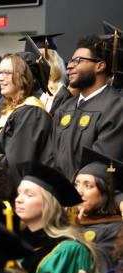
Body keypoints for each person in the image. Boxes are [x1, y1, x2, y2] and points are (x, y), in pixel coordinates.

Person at [15, 161, 96, 273]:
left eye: (29, 195)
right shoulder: (18, 241)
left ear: (48, 203)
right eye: (19, 193)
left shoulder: (69, 249)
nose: (18, 200)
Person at [47, 34, 123, 178]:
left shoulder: (116, 108)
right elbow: (50, 156)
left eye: (78, 61)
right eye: (71, 61)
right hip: (59, 195)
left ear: (100, 66)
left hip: (89, 195)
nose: (69, 66)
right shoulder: (64, 107)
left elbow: (101, 164)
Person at [0, 53, 52, 183]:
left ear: (22, 76)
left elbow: (18, 162)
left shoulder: (32, 112)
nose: (0, 78)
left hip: (13, 191)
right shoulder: (10, 110)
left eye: (6, 73)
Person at [72, 148, 123, 273]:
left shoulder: (115, 229)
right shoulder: (70, 221)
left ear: (105, 193)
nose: (79, 191)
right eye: (76, 184)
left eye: (88, 186)